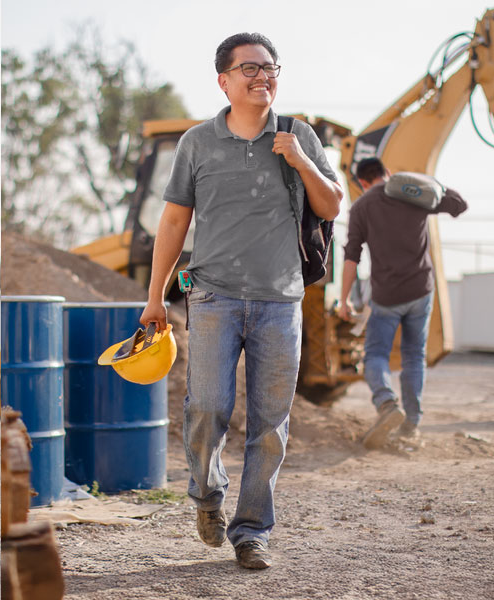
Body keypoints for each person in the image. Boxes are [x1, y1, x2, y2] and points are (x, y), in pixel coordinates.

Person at [139, 33, 343, 570]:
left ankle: (252, 531)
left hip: (281, 301)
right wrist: (155, 297)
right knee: (206, 408)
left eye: (270, 68)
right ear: (224, 80)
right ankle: (207, 496)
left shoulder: (299, 135)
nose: (262, 77)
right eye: (249, 68)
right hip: (212, 298)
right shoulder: (197, 143)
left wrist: (301, 161)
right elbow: (174, 221)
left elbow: (331, 205)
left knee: (270, 424)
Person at [338, 157, 468, 450]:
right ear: (388, 173)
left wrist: (345, 299)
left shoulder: (360, 207)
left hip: (386, 297)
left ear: (361, 182)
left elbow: (351, 257)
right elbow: (458, 205)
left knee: (375, 355)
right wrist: (429, 185)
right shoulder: (413, 194)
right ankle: (411, 423)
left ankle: (386, 404)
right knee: (413, 356)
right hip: (421, 290)